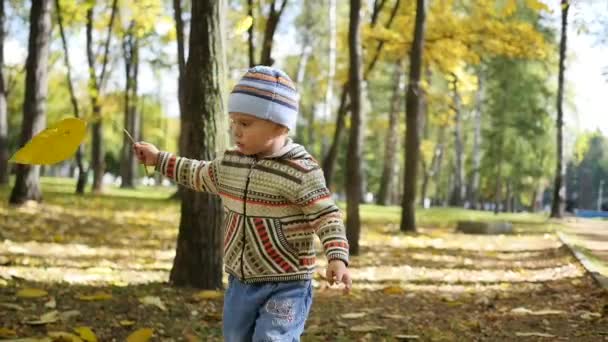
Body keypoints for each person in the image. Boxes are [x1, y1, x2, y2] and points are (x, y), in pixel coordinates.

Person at [134, 65, 351, 341]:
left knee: (272, 338)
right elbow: (197, 173)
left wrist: (337, 256)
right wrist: (158, 159)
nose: (236, 131)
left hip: (287, 283)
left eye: (245, 123)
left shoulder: (301, 171)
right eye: (233, 121)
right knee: (235, 337)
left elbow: (327, 216)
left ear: (279, 125)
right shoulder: (230, 164)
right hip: (241, 281)